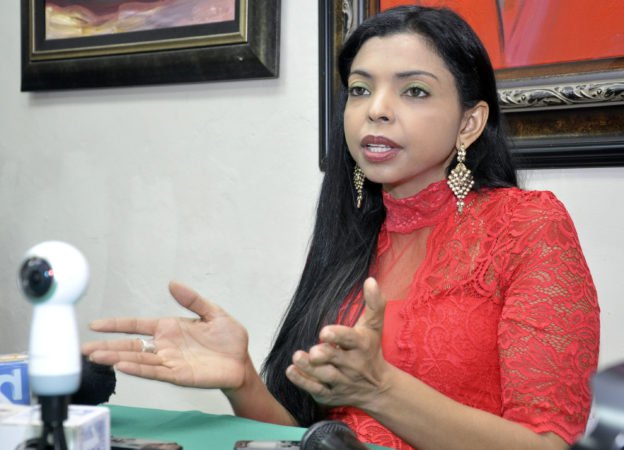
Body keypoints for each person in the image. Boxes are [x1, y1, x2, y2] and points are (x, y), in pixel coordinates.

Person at [83, 6, 600, 450]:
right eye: (360, 89)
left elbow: (547, 444)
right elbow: (322, 439)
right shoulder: (354, 231)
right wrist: (242, 380)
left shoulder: (527, 225)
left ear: (469, 122)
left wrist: (380, 389)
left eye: (414, 91)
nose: (376, 110)